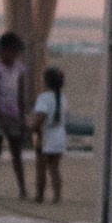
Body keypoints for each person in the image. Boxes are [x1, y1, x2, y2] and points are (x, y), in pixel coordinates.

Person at [0, 31, 28, 197]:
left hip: (14, 113)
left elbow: (20, 95)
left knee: (16, 152)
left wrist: (22, 116)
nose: (14, 56)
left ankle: (22, 188)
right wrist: (1, 117)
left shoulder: (19, 69)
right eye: (13, 52)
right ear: (3, 50)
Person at [29, 64, 68, 204]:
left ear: (45, 82)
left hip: (45, 137)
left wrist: (31, 127)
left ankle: (39, 196)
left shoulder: (44, 98)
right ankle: (57, 196)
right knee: (55, 169)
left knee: (41, 168)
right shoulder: (62, 98)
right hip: (59, 136)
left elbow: (41, 116)